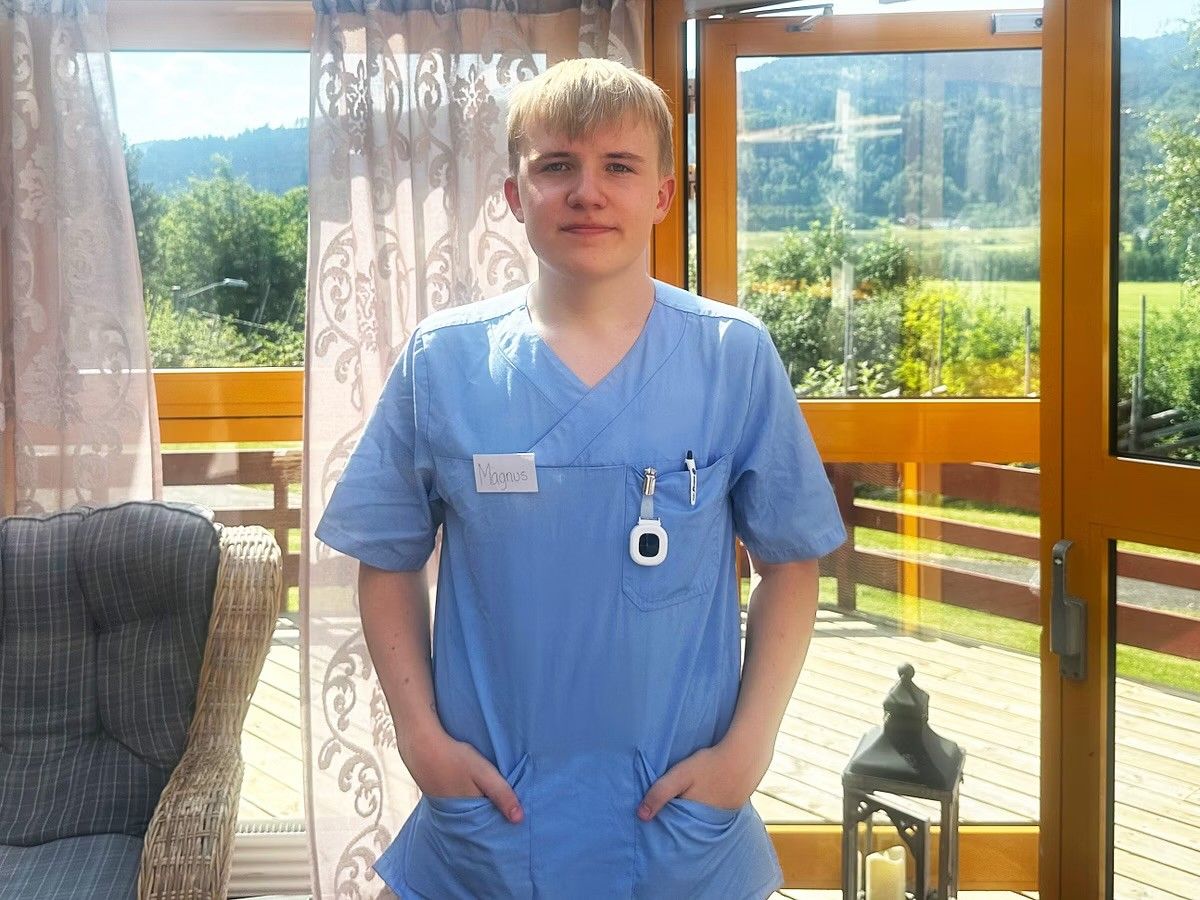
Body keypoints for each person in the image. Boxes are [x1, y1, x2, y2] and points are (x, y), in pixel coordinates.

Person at [315, 57, 846, 900]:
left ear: (663, 195)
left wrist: (748, 752)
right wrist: (421, 741)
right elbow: (385, 558)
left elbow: (791, 562)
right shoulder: (443, 361)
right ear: (514, 195)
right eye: (557, 165)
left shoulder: (731, 355)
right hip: (492, 817)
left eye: (619, 167)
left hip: (677, 817)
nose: (587, 193)